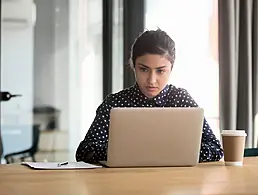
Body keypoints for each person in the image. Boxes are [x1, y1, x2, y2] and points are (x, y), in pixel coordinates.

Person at [75, 29, 224, 164]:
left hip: (174, 184)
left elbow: (215, 148)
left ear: (171, 69)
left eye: (160, 71)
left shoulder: (180, 99)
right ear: (133, 66)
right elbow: (84, 151)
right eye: (144, 69)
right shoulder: (115, 103)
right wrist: (120, 153)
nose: (152, 80)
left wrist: (173, 152)